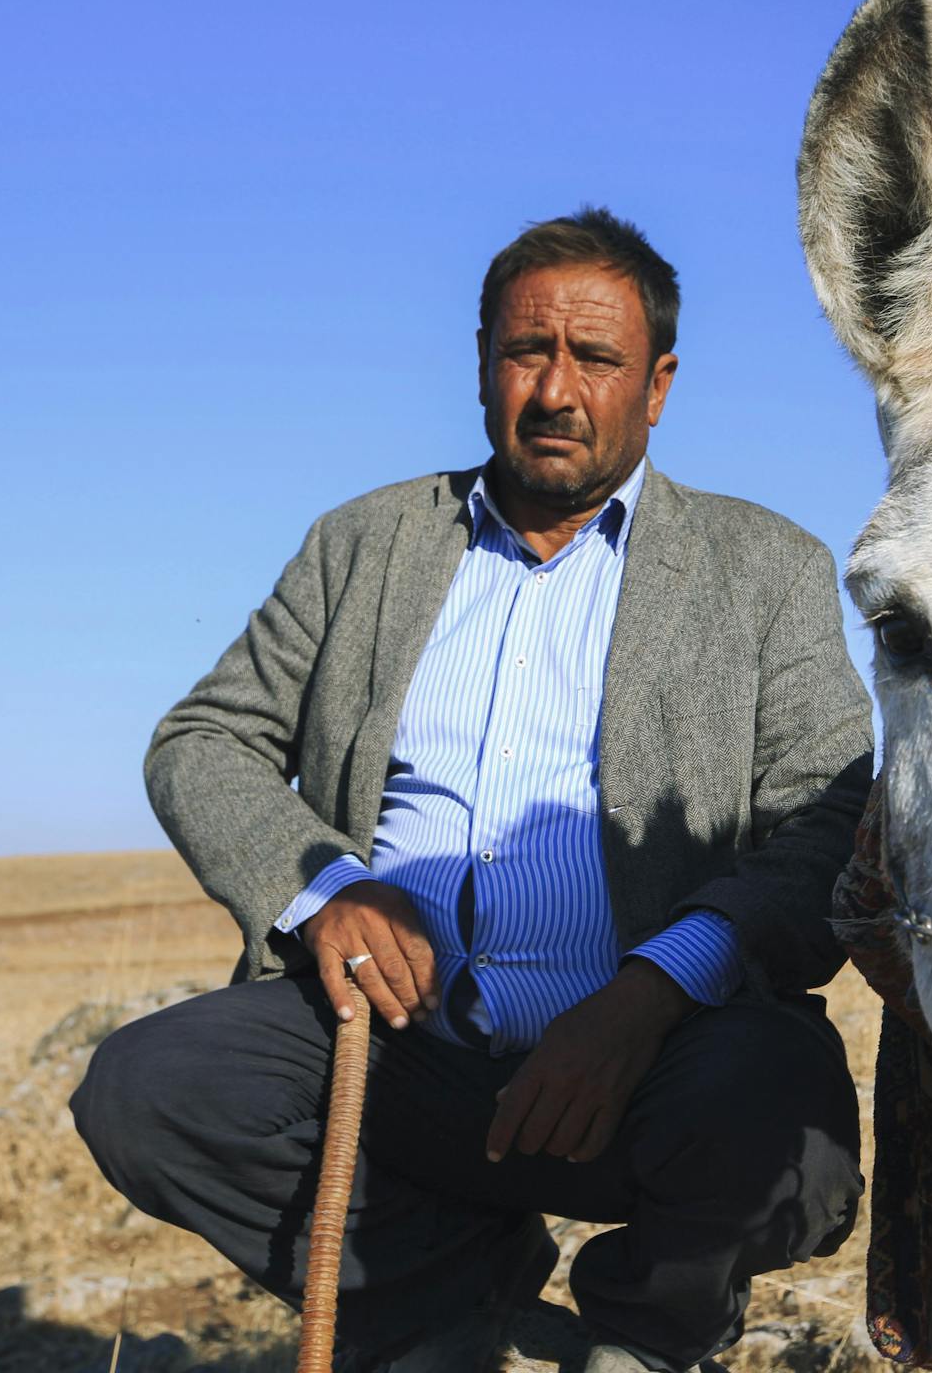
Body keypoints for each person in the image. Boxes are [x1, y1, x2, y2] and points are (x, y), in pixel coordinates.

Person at [72, 208, 873, 1373]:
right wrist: (326, 891)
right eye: (524, 352)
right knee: (148, 1091)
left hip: (648, 1061)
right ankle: (454, 1286)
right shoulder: (366, 543)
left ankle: (642, 1334)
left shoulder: (766, 568)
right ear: (483, 363)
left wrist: (647, 993)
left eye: (595, 359)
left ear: (657, 385)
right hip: (393, 1051)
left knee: (781, 1133)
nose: (556, 391)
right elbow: (204, 740)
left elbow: (826, 821)